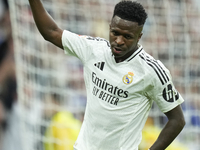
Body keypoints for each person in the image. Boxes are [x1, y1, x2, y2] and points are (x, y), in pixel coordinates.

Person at [28, 0, 185, 150]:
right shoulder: (93, 49)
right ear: (109, 27)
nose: (118, 41)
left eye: (127, 36)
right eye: (114, 33)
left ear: (139, 36)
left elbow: (177, 120)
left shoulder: (152, 71)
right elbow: (51, 32)